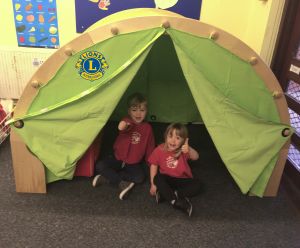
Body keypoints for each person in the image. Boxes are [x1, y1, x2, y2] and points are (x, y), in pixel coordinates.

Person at [92, 92, 155, 200]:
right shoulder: (128, 121)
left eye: (142, 110)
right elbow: (123, 126)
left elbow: (150, 147)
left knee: (140, 178)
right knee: (100, 165)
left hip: (133, 163)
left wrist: (152, 165)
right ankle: (121, 183)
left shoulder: (147, 128)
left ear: (146, 111)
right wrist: (123, 126)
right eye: (134, 110)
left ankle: (109, 178)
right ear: (129, 111)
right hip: (118, 158)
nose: (138, 114)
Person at [148, 123, 203, 217]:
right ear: (165, 136)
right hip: (167, 179)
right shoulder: (159, 149)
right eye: (170, 136)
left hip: (183, 179)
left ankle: (168, 194)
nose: (173, 140)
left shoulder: (184, 150)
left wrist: (189, 149)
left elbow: (196, 157)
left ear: (183, 141)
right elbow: (153, 165)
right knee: (157, 178)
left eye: (177, 138)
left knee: (198, 184)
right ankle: (174, 202)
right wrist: (153, 185)